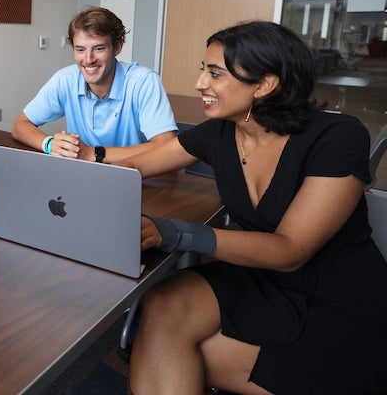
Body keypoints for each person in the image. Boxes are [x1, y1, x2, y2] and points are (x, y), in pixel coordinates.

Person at [122, 21, 387, 394]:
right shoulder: (219, 132)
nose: (200, 83)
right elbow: (138, 164)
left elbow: (290, 250)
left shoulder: (337, 136)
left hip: (339, 297)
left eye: (214, 73)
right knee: (164, 301)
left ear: (264, 84)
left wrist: (176, 232)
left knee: (168, 352)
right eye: (204, 70)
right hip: (262, 275)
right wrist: (79, 167)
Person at [11, 6, 177, 164]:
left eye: (98, 48)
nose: (88, 59)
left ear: (117, 47)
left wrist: (93, 153)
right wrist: (49, 143)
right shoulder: (65, 79)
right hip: (82, 174)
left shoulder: (144, 82)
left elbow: (167, 147)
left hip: (135, 177)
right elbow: (19, 126)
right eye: (80, 49)